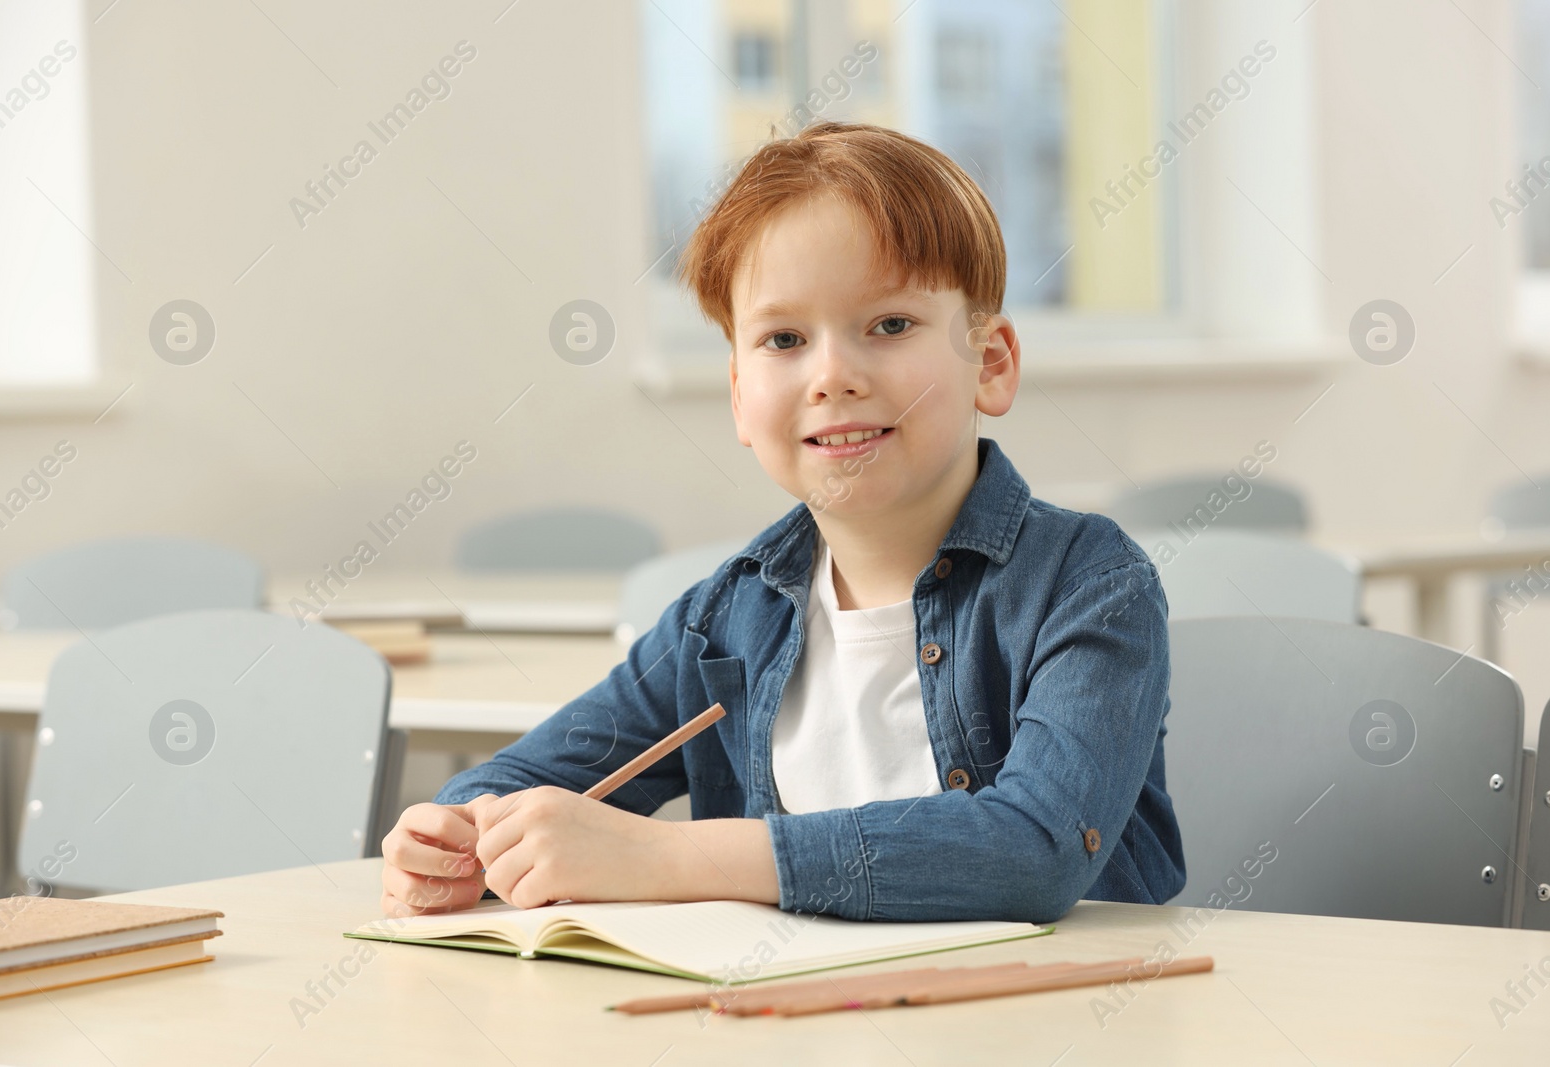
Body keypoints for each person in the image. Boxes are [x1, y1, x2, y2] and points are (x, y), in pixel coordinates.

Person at [380, 121, 1184, 924]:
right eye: (785, 339)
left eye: (890, 325)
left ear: (993, 362)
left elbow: (1033, 850)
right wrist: (454, 832)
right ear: (739, 395)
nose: (833, 375)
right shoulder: (722, 620)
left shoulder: (1090, 582)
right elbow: (527, 781)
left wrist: (661, 856)